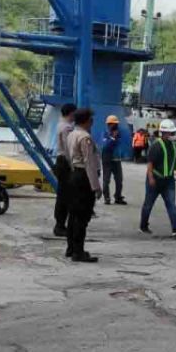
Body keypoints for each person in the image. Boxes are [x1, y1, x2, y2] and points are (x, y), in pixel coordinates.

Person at [65, 108, 101, 262]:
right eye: (91, 119)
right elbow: (90, 163)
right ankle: (78, 252)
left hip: (74, 175)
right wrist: (96, 186)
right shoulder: (86, 137)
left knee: (73, 215)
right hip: (83, 178)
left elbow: (67, 156)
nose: (92, 122)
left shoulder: (71, 134)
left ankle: (71, 247)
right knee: (82, 216)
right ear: (86, 121)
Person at [140, 119, 176, 237]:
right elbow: (150, 163)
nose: (173, 135)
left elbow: (172, 161)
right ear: (164, 133)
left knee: (171, 203)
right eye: (171, 133)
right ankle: (143, 225)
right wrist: (151, 178)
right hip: (156, 179)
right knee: (148, 204)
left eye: (173, 133)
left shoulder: (173, 146)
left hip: (168, 181)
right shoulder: (156, 146)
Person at [52, 103, 77, 237]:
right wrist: (74, 165)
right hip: (65, 162)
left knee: (62, 195)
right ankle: (60, 225)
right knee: (64, 196)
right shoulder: (67, 128)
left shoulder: (59, 124)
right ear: (71, 113)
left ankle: (60, 224)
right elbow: (69, 149)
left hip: (60, 161)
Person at [100, 114, 127, 205]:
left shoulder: (119, 133)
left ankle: (118, 197)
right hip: (107, 160)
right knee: (106, 180)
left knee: (119, 180)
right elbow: (106, 146)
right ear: (108, 124)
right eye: (112, 124)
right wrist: (112, 138)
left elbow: (121, 144)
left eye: (116, 124)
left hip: (116, 160)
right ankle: (107, 198)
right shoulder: (105, 133)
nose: (115, 126)